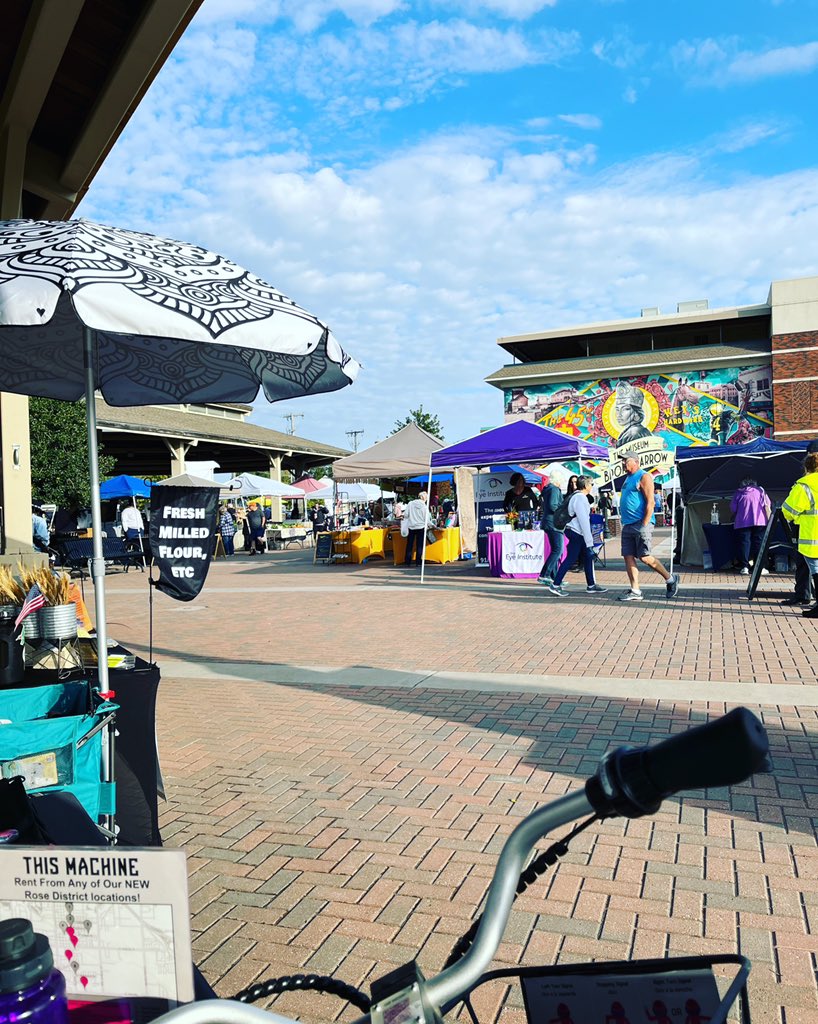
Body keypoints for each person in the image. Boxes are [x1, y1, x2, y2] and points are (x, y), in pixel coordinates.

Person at [618, 455, 679, 601]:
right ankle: (635, 590)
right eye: (622, 461)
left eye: (626, 461)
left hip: (640, 523)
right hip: (628, 524)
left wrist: (644, 523)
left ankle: (670, 579)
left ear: (636, 462)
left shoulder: (644, 476)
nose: (623, 463)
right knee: (628, 556)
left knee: (644, 556)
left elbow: (650, 501)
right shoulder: (627, 478)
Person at [547, 476, 607, 596]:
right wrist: (589, 541)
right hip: (576, 532)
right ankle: (556, 585)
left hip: (574, 531)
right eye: (591, 484)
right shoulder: (580, 498)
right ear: (585, 485)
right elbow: (583, 520)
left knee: (588, 557)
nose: (592, 487)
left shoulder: (575, 496)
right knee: (571, 558)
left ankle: (591, 585)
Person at [782, 447, 818, 619]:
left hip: (812, 535)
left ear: (807, 468)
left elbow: (788, 510)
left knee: (815, 569)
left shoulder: (804, 486)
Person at [730, 477, 771, 576]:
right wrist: (769, 520)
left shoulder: (738, 493)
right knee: (759, 544)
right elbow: (767, 505)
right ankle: (759, 567)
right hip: (759, 521)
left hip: (742, 522)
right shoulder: (760, 490)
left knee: (744, 544)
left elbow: (733, 508)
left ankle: (744, 567)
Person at [537, 478, 565, 586]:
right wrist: (563, 512)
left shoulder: (548, 489)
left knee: (555, 550)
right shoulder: (554, 489)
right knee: (558, 550)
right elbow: (553, 505)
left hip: (548, 522)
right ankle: (545, 574)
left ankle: (555, 578)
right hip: (554, 523)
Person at [402, 490, 429, 567]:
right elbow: (426, 519)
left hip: (411, 527)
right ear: (425, 498)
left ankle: (407, 561)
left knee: (409, 544)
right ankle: (418, 562)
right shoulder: (424, 507)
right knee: (419, 545)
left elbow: (406, 515)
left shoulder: (410, 504)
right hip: (421, 527)